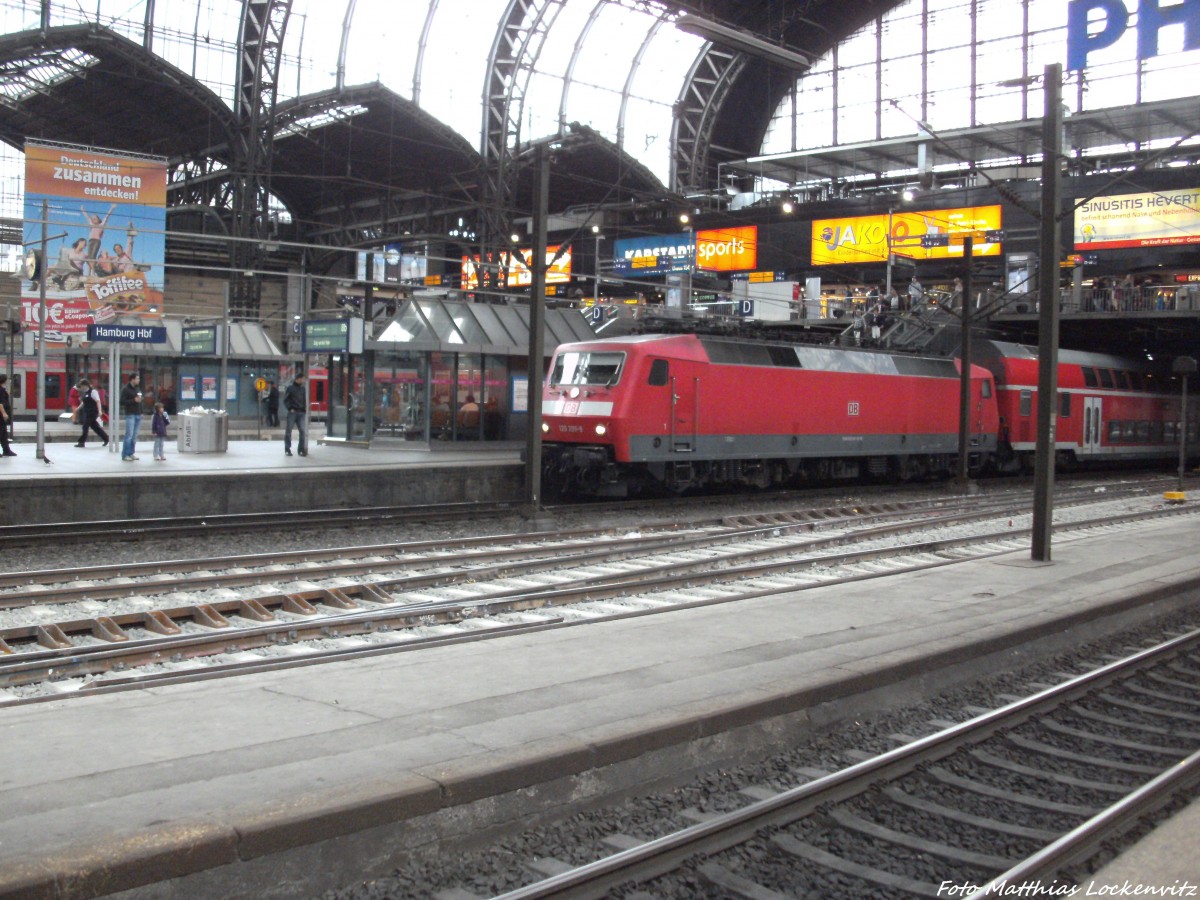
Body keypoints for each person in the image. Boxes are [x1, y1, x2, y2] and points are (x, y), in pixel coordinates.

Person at [74, 379, 109, 447]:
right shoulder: (86, 393)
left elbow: (98, 401)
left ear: (85, 385)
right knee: (95, 426)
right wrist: (78, 408)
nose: (81, 388)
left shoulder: (93, 392)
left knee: (85, 426)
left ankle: (81, 442)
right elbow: (84, 402)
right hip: (88, 412)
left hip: (92, 412)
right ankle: (106, 438)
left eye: (82, 386)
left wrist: (99, 411)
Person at [81, 204, 116, 273]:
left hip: (97, 241)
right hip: (90, 241)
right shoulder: (91, 224)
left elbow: (107, 216)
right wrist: (83, 210)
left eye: (95, 218)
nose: (93, 220)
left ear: (98, 219)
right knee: (89, 257)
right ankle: (89, 272)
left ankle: (93, 272)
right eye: (92, 219)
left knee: (93, 256)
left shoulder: (101, 225)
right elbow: (87, 217)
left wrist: (112, 208)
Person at [119, 372, 143, 461]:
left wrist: (141, 411)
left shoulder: (138, 389)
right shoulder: (125, 389)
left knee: (134, 435)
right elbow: (122, 402)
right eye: (137, 378)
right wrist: (133, 400)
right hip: (130, 414)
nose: (138, 380)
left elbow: (140, 401)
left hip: (138, 413)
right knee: (129, 435)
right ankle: (125, 454)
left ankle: (131, 453)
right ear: (132, 379)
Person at [283, 373, 307, 456]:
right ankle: (287, 449)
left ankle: (300, 449)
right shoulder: (290, 388)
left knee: (303, 431)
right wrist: (290, 408)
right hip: (293, 412)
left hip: (301, 412)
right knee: (288, 431)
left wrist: (304, 409)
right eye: (302, 379)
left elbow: (305, 400)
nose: (303, 381)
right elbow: (286, 399)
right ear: (298, 379)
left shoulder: (303, 389)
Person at [0, 374, 15, 456]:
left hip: (1, 416)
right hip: (0, 416)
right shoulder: (1, 390)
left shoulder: (2, 389)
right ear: (4, 380)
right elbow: (0, 403)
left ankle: (6, 450)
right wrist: (4, 413)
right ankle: (6, 450)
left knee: (4, 434)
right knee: (1, 433)